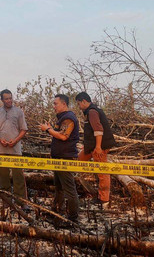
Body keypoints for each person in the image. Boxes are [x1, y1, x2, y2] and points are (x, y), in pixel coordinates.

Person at [40, 94, 80, 225]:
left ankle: (73, 218)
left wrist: (48, 130)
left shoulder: (69, 118)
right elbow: (59, 133)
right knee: (59, 187)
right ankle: (57, 211)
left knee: (69, 188)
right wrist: (51, 128)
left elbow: (63, 137)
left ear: (64, 104)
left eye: (55, 103)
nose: (54, 106)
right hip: (58, 157)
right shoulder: (63, 118)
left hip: (65, 157)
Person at [75, 91, 116, 208]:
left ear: (84, 101)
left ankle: (104, 200)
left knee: (103, 173)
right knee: (79, 160)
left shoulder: (92, 112)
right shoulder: (91, 111)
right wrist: (88, 146)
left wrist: (98, 147)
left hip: (99, 147)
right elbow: (91, 132)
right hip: (92, 146)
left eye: (79, 104)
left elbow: (98, 130)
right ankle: (86, 186)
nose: (79, 107)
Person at [0, 89, 29, 208]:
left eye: (10, 98)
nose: (9, 100)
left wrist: (16, 140)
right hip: (1, 150)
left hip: (16, 150)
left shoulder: (18, 112)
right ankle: (6, 202)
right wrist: (0, 140)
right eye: (6, 98)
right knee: (4, 176)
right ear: (2, 100)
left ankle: (21, 201)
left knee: (18, 176)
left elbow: (24, 129)